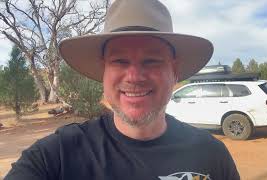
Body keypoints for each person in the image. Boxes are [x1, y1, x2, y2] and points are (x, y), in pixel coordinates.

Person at [5, 0, 240, 179]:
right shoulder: (56, 157)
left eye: (152, 61)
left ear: (174, 71)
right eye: (119, 61)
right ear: (103, 71)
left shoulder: (211, 155)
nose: (134, 76)